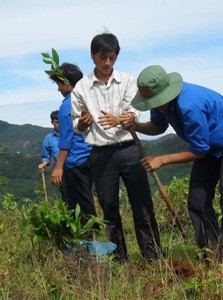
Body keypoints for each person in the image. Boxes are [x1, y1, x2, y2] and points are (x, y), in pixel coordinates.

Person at [126, 64, 223, 268]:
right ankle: (214, 256)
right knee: (197, 201)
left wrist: (162, 159)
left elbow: (199, 150)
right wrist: (136, 126)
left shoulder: (189, 104)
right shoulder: (161, 104)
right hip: (208, 147)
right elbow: (159, 126)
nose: (154, 105)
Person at [71, 32, 162, 262]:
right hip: (101, 154)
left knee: (142, 204)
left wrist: (120, 119)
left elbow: (134, 112)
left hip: (130, 149)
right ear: (93, 56)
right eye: (103, 57)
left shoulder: (127, 80)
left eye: (112, 58)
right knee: (109, 207)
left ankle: (153, 257)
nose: (107, 63)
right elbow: (76, 125)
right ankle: (119, 257)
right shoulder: (81, 88)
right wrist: (82, 122)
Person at [47, 62, 97, 225]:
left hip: (75, 162)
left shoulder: (67, 105)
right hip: (90, 157)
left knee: (79, 206)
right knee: (87, 199)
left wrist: (59, 166)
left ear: (67, 83)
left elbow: (66, 138)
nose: (58, 89)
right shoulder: (87, 100)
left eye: (59, 84)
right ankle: (92, 241)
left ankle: (88, 243)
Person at [38, 110, 68, 201]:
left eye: (60, 121)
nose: (59, 124)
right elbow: (46, 156)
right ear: (52, 122)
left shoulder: (70, 134)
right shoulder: (48, 138)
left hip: (76, 167)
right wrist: (43, 164)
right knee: (66, 196)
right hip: (61, 171)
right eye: (56, 122)